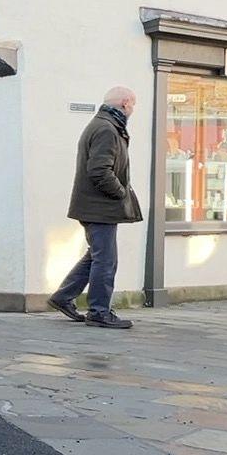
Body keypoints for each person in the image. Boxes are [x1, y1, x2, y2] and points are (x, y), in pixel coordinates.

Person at [49, 85, 142, 329]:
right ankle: (99, 311)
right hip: (99, 207)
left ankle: (63, 297)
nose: (133, 109)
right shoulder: (106, 128)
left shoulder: (104, 124)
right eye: (133, 104)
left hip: (94, 206)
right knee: (106, 260)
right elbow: (100, 171)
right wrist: (121, 193)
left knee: (96, 255)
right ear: (125, 103)